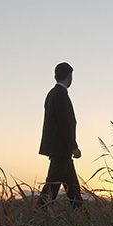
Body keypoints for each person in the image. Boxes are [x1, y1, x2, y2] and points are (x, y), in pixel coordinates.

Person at [38, 61, 83, 205]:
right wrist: (73, 146)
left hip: (59, 150)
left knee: (73, 190)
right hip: (61, 150)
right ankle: (38, 215)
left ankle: (82, 217)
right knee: (51, 188)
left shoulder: (52, 94)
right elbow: (65, 123)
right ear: (70, 76)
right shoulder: (60, 95)